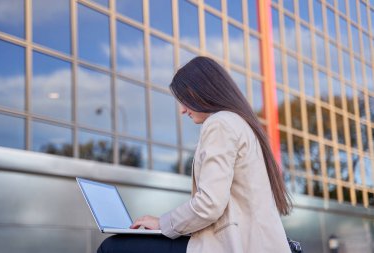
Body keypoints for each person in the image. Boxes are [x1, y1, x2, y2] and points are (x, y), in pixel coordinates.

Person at [97, 56, 292, 253]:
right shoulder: (239, 123)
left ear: (202, 90)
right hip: (248, 244)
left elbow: (209, 204)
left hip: (235, 246)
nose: (182, 110)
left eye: (184, 99)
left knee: (113, 247)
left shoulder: (220, 124)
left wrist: (162, 223)